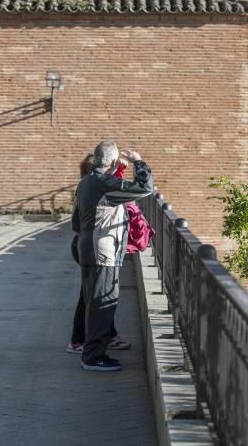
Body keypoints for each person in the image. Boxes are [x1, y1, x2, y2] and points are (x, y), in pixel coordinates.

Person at [70, 141, 154, 371]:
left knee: (93, 301)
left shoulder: (86, 182)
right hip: (103, 251)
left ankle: (92, 350)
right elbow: (145, 188)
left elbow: (76, 221)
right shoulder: (104, 183)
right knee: (102, 304)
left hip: (87, 247)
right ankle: (93, 357)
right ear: (113, 161)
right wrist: (139, 162)